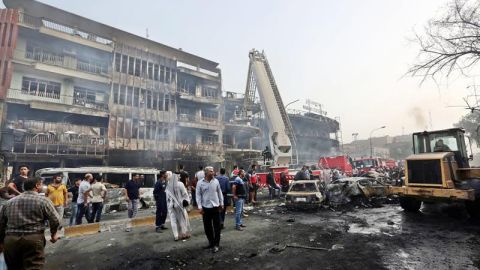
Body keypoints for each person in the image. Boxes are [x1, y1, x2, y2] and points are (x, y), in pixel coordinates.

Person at [0, 177, 60, 269]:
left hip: (10, 240)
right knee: (33, 266)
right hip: (33, 240)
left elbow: (1, 224)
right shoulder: (43, 201)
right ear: (37, 186)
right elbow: (55, 219)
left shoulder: (9, 202)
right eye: (41, 184)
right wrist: (53, 234)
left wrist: (1, 242)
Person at [196, 166, 224, 253]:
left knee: (217, 227)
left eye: (213, 171)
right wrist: (200, 207)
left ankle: (216, 245)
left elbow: (219, 192)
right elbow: (198, 195)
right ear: (206, 173)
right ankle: (211, 243)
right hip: (205, 208)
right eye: (211, 171)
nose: (213, 172)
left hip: (215, 207)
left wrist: (221, 203)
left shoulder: (216, 181)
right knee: (207, 228)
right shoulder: (200, 183)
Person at [166, 173, 191, 241]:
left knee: (173, 221)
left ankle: (176, 236)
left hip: (171, 206)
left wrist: (168, 206)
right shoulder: (180, 184)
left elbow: (167, 198)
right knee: (182, 219)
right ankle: (184, 234)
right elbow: (185, 194)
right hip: (179, 205)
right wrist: (187, 202)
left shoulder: (168, 185)